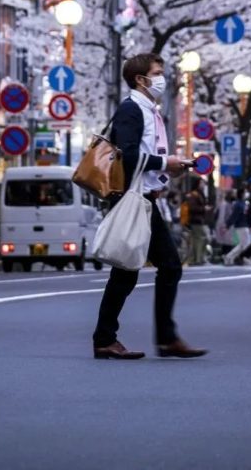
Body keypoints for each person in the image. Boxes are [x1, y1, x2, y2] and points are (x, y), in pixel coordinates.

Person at [92, 52, 207, 360]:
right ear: (140, 79)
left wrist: (169, 169)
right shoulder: (132, 110)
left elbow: (142, 156)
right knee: (163, 267)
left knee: (128, 271)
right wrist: (166, 163)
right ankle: (162, 338)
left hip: (143, 197)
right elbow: (127, 155)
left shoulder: (148, 110)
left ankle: (107, 338)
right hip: (133, 198)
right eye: (157, 73)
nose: (161, 79)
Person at [223, 188, 251, 265]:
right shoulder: (238, 204)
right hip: (241, 226)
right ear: (242, 194)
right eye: (245, 193)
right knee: (246, 244)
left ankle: (229, 256)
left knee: (242, 244)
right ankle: (243, 258)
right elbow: (234, 216)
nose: (246, 194)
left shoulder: (243, 203)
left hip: (244, 225)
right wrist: (227, 225)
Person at [185, 186, 208, 265]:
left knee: (198, 239)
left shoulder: (197, 194)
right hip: (196, 220)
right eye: (201, 183)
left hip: (197, 220)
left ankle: (197, 259)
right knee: (200, 239)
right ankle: (197, 259)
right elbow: (193, 208)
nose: (203, 185)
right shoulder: (194, 195)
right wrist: (204, 208)